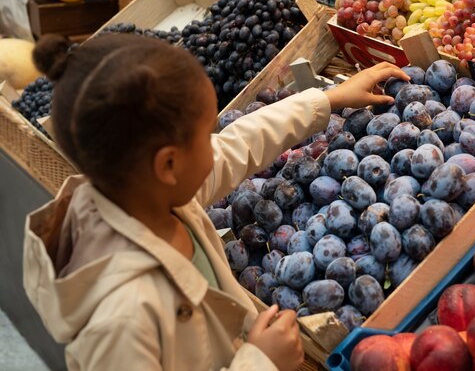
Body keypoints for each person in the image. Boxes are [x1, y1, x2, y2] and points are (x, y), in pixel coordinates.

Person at [22, 33, 409, 371]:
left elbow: (238, 144)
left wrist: (328, 100)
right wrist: (260, 363)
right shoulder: (121, 321)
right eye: (207, 133)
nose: (216, 142)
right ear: (169, 164)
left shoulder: (146, 197)